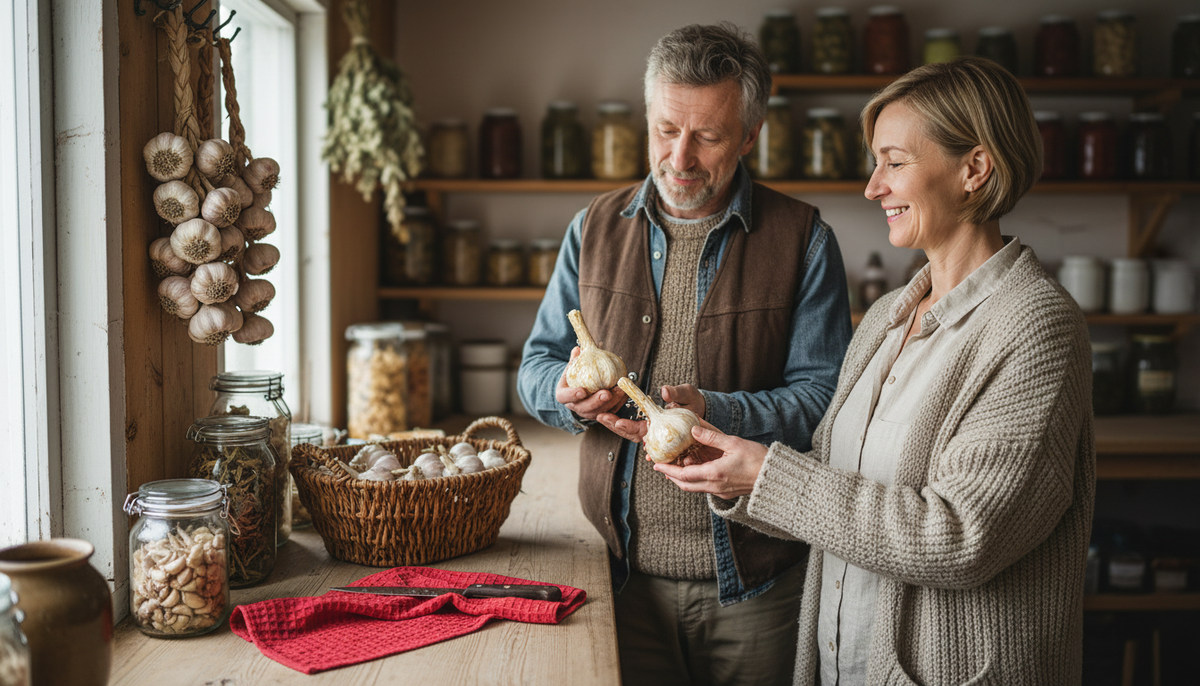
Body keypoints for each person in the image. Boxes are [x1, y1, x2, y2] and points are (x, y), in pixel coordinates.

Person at [655, 56, 1096, 685]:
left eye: (894, 161)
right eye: (875, 163)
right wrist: (735, 476)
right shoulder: (892, 313)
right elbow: (838, 487)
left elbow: (962, 537)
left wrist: (768, 474)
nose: (872, 187)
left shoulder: (1035, 328)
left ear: (975, 167)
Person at [517, 22, 852, 686]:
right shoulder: (591, 229)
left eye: (708, 135)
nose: (680, 158)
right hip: (618, 577)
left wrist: (714, 411)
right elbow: (537, 366)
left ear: (750, 135)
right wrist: (564, 393)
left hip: (758, 586)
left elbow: (824, 402)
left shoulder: (805, 239)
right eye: (666, 130)